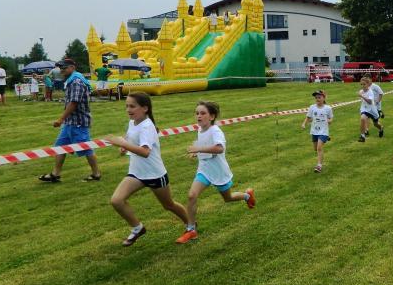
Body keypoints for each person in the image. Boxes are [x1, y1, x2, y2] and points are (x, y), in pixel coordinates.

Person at [104, 92, 190, 246]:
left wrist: (122, 143)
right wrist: (124, 145)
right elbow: (131, 137)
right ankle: (138, 228)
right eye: (127, 106)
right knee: (117, 200)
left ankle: (190, 226)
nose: (128, 109)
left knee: (168, 205)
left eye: (132, 106)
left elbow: (145, 152)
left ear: (145, 108)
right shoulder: (133, 122)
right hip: (137, 173)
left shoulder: (147, 126)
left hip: (155, 175)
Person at [176, 101, 256, 244]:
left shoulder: (216, 131)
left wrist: (198, 149)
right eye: (197, 113)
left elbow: (219, 148)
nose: (199, 116)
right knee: (192, 195)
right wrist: (196, 151)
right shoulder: (200, 129)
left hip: (218, 171)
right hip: (204, 170)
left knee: (228, 198)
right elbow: (204, 144)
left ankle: (247, 196)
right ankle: (191, 230)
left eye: (203, 113)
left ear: (212, 116)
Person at [38, 59, 101, 183]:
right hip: (70, 122)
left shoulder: (76, 81)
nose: (61, 71)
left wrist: (61, 119)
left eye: (64, 68)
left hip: (78, 122)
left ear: (72, 67)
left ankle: (96, 174)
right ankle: (55, 174)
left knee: (86, 148)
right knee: (60, 147)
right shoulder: (71, 80)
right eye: (60, 68)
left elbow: (74, 103)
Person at [301, 89, 334, 173]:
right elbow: (308, 117)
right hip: (314, 131)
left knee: (319, 148)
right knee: (315, 148)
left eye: (319, 97)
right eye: (316, 98)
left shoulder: (328, 108)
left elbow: (331, 119)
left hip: (323, 131)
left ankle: (319, 166)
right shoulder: (312, 107)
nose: (317, 99)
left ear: (324, 98)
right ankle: (326, 138)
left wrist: (329, 121)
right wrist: (304, 123)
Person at [357, 76, 384, 142]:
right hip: (364, 109)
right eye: (361, 84)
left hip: (372, 110)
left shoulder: (370, 92)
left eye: (364, 84)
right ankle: (362, 136)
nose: (363, 86)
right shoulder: (361, 91)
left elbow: (370, 102)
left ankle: (381, 128)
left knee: (375, 124)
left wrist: (362, 96)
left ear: (368, 84)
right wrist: (361, 95)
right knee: (362, 118)